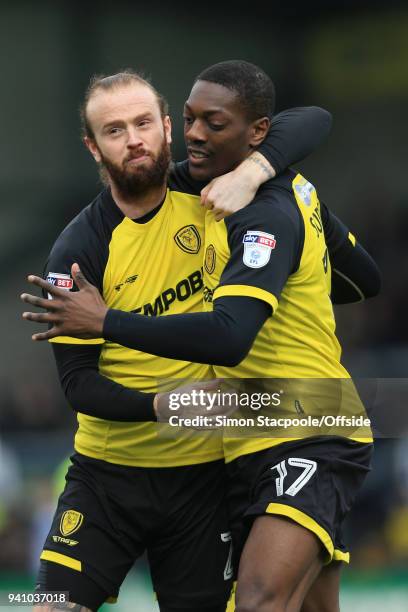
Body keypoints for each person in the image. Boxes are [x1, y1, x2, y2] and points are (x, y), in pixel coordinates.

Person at [23, 61, 381, 612]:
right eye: (114, 131)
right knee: (42, 606)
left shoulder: (226, 190)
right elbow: (77, 387)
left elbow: (309, 120)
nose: (134, 140)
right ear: (93, 148)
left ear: (165, 127)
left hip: (220, 464)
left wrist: (254, 172)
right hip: (111, 475)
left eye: (144, 123)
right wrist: (164, 406)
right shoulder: (77, 250)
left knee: (259, 601)